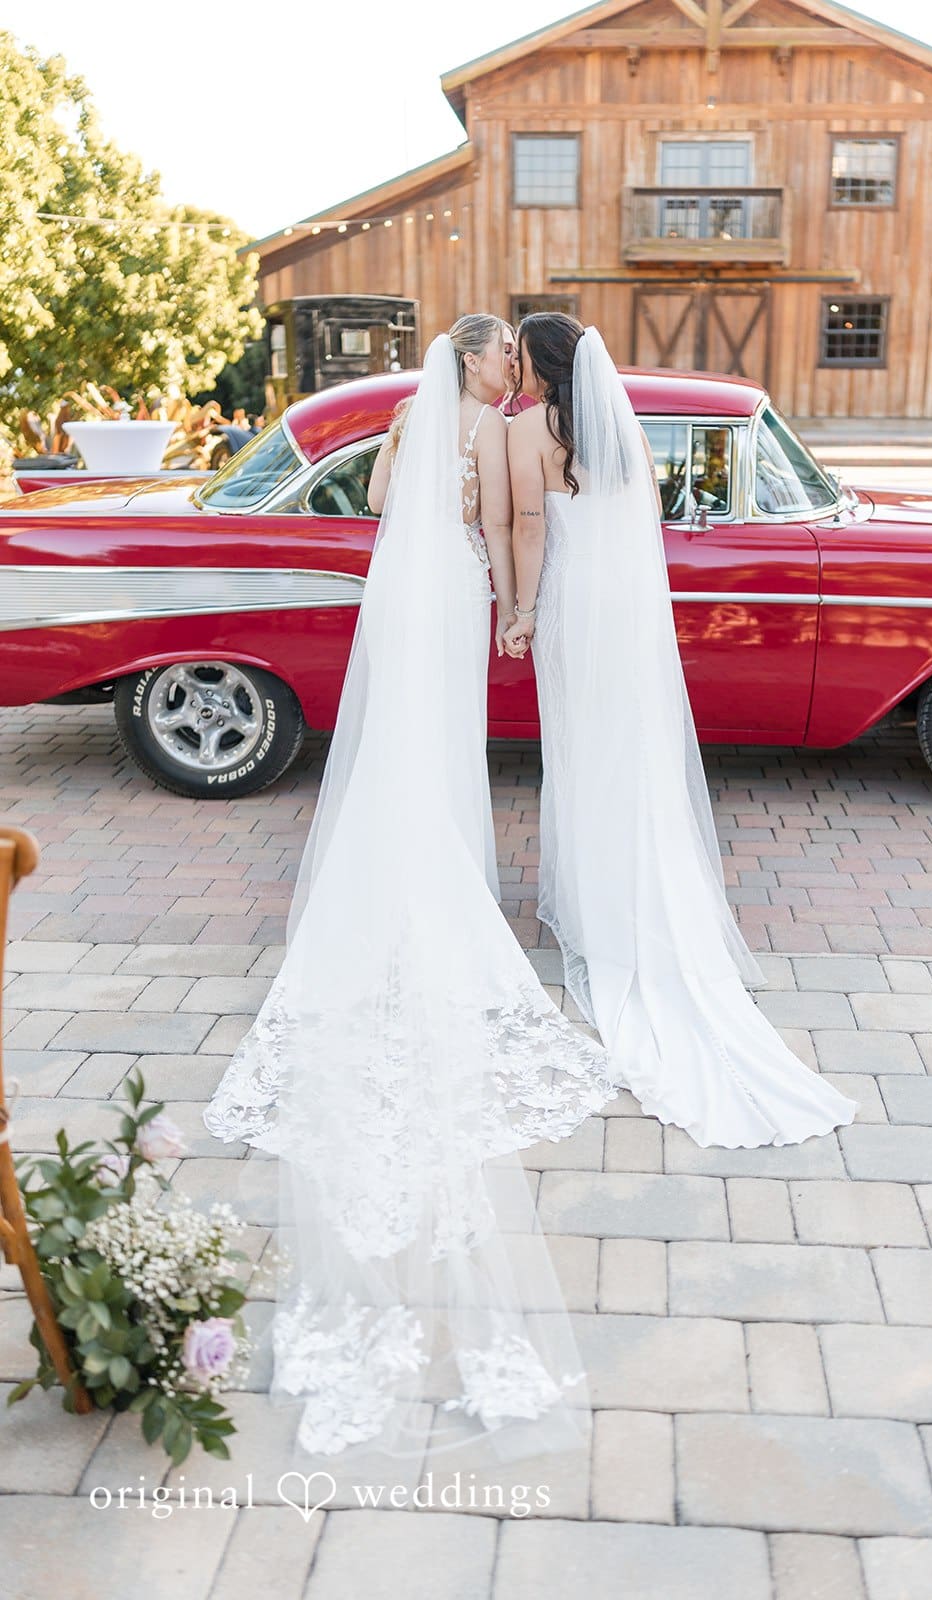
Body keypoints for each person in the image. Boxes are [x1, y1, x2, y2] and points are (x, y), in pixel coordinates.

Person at [203, 314, 614, 1463]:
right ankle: (439, 876)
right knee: (439, 749)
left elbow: (385, 507)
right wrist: (508, 595)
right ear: (476, 361)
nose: (498, 370)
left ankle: (392, 869)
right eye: (491, 356)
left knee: (396, 745)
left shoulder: (406, 423)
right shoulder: (484, 423)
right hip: (447, 601)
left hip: (400, 596)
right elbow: (490, 518)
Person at [503, 314, 857, 1150]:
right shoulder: (616, 435)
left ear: (544, 366)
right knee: (628, 753)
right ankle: (638, 887)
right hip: (621, 611)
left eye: (518, 354)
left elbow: (527, 525)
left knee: (581, 753)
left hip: (567, 607)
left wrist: (518, 611)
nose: (511, 365)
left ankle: (593, 902)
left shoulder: (531, 430)